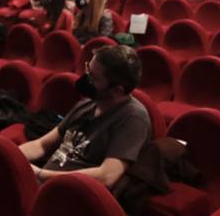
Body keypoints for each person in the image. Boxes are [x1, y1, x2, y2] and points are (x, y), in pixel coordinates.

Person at [19, 46, 151, 188]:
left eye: (93, 77)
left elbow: (107, 176)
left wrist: (40, 174)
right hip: (46, 183)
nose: (85, 78)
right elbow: (42, 145)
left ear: (117, 90)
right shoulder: (87, 104)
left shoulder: (133, 119)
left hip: (74, 194)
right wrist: (13, 156)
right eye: (88, 69)